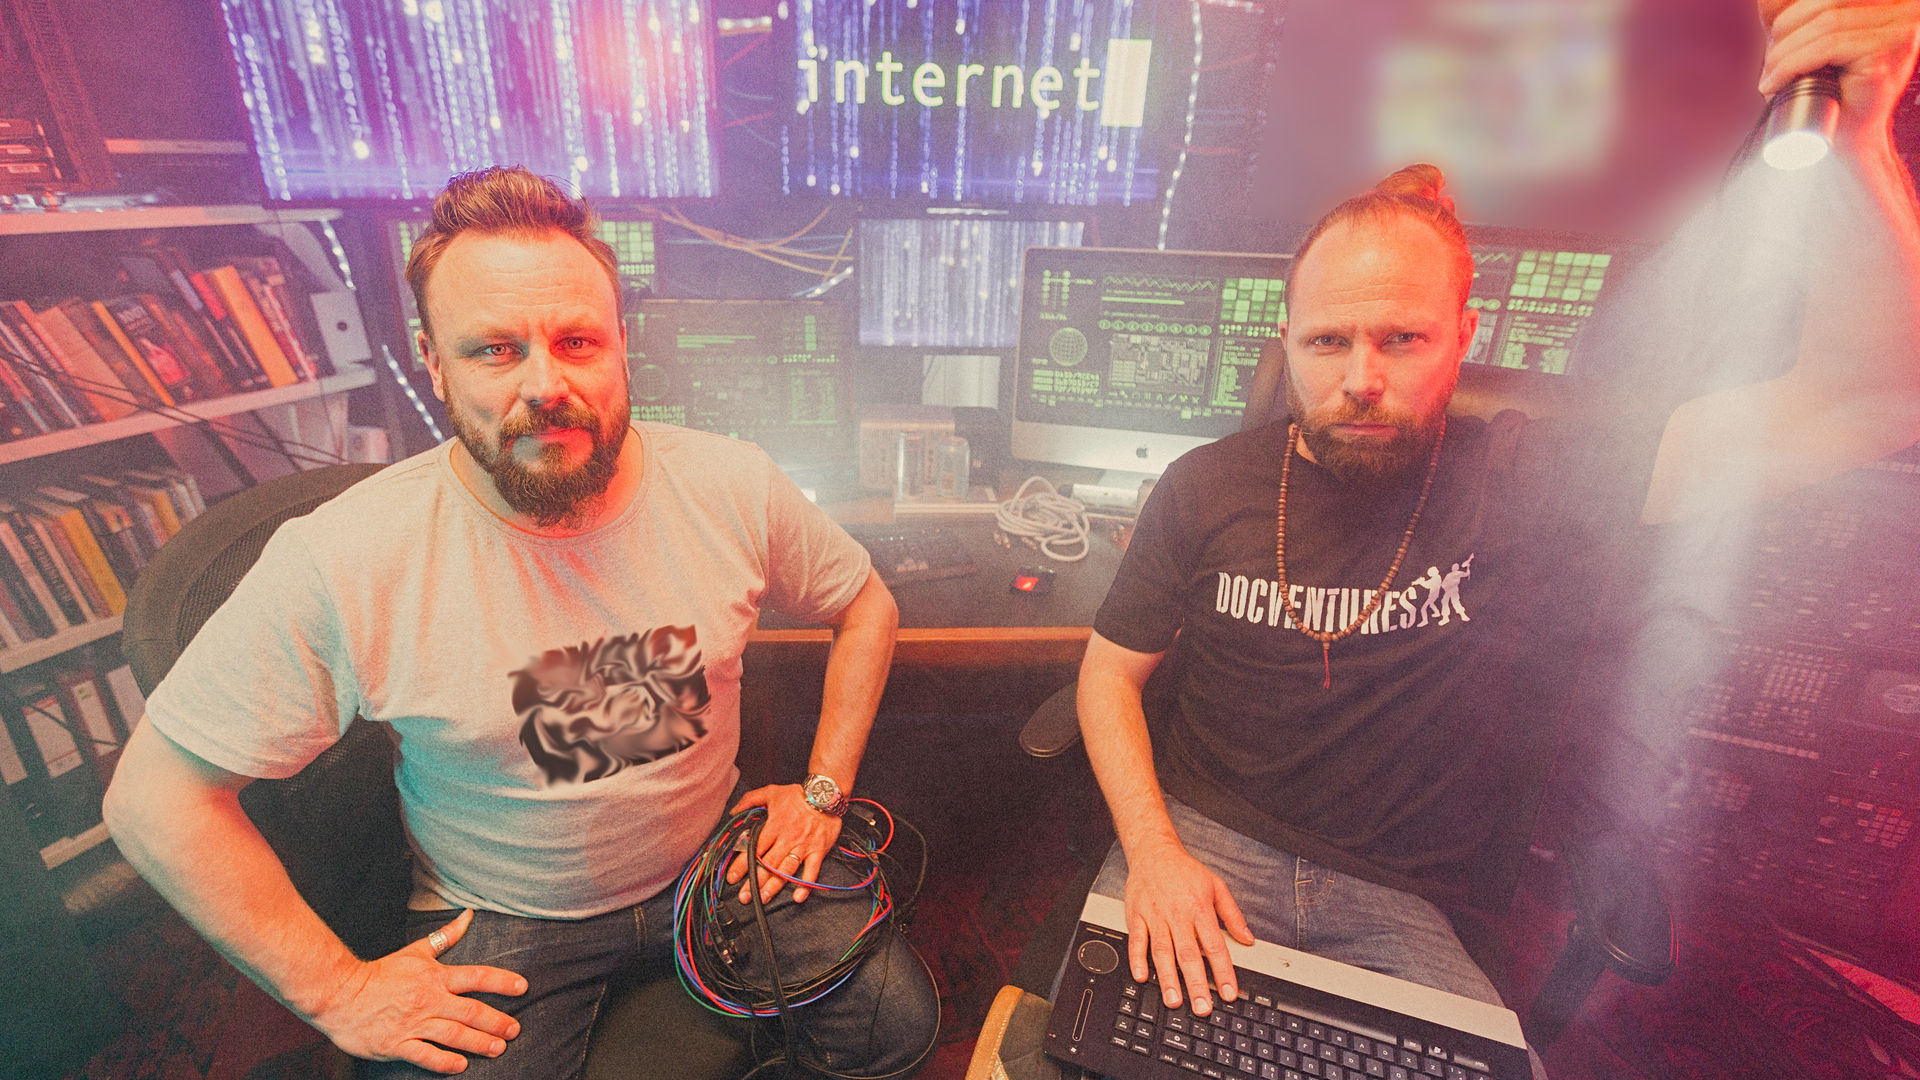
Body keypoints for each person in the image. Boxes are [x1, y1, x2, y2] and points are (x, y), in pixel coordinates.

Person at [1075, 0, 1920, 1056]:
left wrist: (1864, 135)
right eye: (1329, 342)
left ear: (1464, 335)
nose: (1362, 378)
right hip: (1203, 847)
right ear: (1284, 341)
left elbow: (1874, 396)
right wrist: (1153, 848)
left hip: (1398, 902)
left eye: (1403, 339)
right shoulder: (1204, 485)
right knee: (1099, 1052)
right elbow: (1108, 675)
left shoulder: (1534, 477)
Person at [103, 165, 938, 1078]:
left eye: (577, 341)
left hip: (709, 864)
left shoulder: (731, 485)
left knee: (891, 1026)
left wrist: (823, 791)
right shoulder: (343, 558)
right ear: (433, 363)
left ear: (622, 347)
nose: (547, 383)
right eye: (495, 351)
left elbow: (865, 605)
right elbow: (154, 801)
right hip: (504, 912)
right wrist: (337, 992)